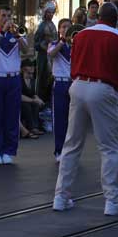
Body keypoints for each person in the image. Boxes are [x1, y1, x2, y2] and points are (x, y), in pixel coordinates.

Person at [54, 2, 118, 216]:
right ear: (116, 18)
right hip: (102, 88)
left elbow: (73, 60)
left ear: (97, 16)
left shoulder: (80, 34)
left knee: (71, 144)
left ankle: (61, 197)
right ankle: (112, 200)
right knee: (109, 147)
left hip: (78, 85)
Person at [0, 6, 30, 165]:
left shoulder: (18, 32)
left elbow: (26, 50)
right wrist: (2, 32)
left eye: (9, 15)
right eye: (3, 15)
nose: (7, 18)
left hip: (13, 79)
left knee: (12, 115)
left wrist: (17, 36)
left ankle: (9, 150)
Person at [48, 18, 73, 160]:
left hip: (74, 83)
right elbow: (51, 54)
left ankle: (72, 150)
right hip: (60, 83)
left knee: (74, 120)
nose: (65, 29)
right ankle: (59, 150)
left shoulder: (76, 45)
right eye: (63, 27)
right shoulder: (54, 44)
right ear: (59, 30)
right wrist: (63, 41)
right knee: (59, 118)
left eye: (68, 27)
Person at [33, 1, 58, 130]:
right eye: (48, 12)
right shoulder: (42, 26)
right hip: (43, 57)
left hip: (51, 57)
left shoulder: (53, 25)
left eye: (52, 13)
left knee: (49, 82)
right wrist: (44, 45)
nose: (50, 15)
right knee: (41, 81)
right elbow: (36, 42)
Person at [19, 58, 46, 139]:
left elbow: (33, 94)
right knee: (26, 105)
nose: (31, 75)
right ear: (23, 70)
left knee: (36, 105)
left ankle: (35, 127)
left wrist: (38, 99)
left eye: (32, 73)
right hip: (21, 101)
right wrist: (33, 100)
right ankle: (31, 128)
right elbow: (20, 96)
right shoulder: (19, 80)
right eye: (29, 73)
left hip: (29, 100)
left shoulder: (32, 80)